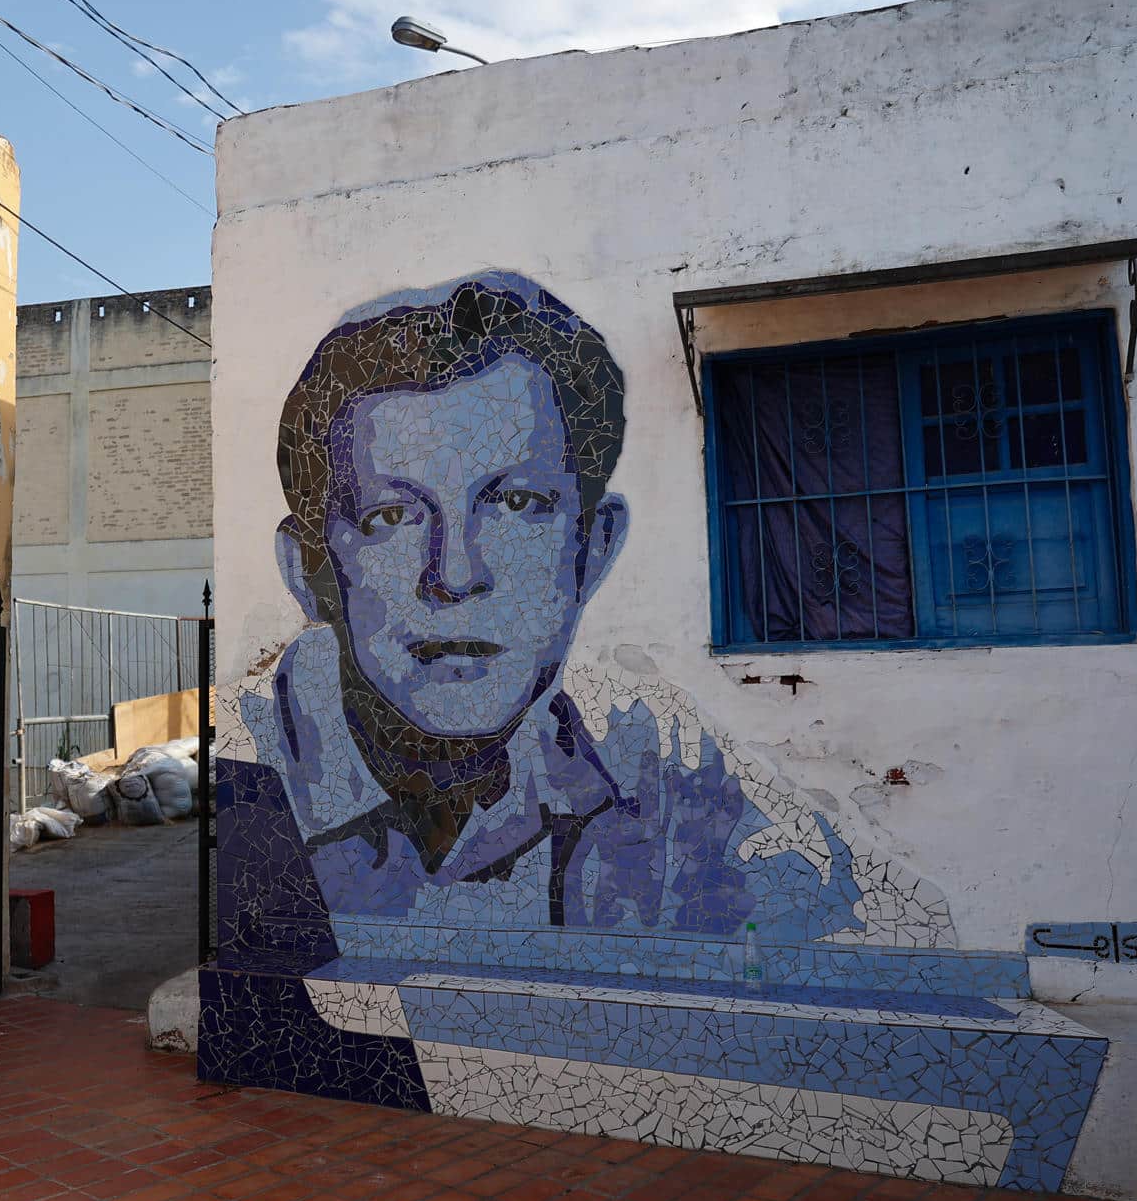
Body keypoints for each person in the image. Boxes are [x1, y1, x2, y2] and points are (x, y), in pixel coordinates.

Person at [217, 272, 864, 953]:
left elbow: (844, 938)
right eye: (393, 516)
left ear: (595, 549)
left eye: (517, 506)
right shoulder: (241, 774)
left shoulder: (655, 765)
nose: (455, 576)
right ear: (310, 571)